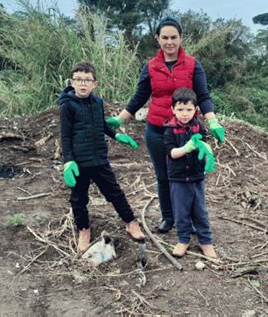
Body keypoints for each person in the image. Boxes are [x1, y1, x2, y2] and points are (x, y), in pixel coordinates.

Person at [105, 17, 225, 234]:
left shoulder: (192, 64)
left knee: (190, 175)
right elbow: (140, 96)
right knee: (164, 175)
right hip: (157, 129)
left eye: (173, 37)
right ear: (157, 39)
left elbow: (203, 96)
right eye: (164, 38)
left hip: (188, 131)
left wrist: (212, 120)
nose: (169, 42)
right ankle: (168, 217)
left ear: (181, 38)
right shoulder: (151, 66)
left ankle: (191, 219)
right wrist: (121, 119)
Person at [59, 61, 145, 252]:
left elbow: (102, 125)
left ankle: (131, 221)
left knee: (114, 192)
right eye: (79, 79)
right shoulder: (67, 106)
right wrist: (68, 161)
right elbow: (65, 135)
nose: (83, 84)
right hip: (79, 162)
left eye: (87, 80)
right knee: (79, 199)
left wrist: (117, 135)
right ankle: (83, 229)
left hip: (99, 158)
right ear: (72, 82)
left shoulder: (98, 102)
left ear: (94, 83)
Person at [163, 88, 217, 258]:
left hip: (196, 176)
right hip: (178, 177)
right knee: (181, 211)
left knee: (200, 211)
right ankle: (183, 239)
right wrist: (187, 148)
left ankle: (205, 241)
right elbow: (171, 153)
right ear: (173, 110)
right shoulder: (169, 129)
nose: (184, 114)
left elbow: (204, 144)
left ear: (196, 110)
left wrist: (207, 153)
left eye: (189, 110)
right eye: (180, 109)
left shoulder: (199, 126)